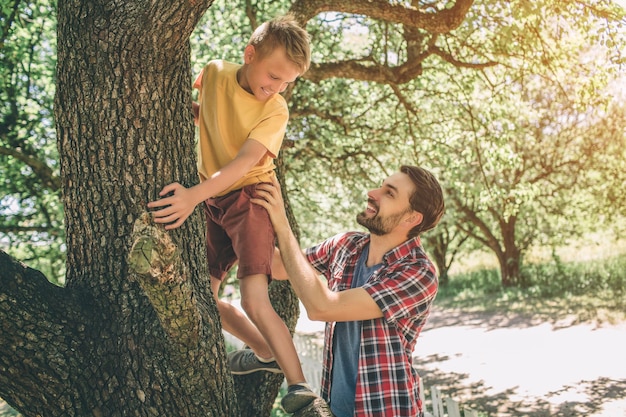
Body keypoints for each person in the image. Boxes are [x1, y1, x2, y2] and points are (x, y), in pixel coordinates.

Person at [147, 15, 316, 413]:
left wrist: (191, 196)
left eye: (286, 83)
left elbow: (242, 163)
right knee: (202, 298)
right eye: (273, 75)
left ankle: (299, 385)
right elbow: (203, 113)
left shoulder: (275, 110)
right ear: (249, 54)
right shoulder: (214, 73)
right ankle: (262, 350)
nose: (276, 88)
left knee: (255, 299)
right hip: (214, 201)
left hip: (250, 200)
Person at [250, 166, 445, 417]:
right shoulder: (346, 245)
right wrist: (237, 223)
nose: (373, 193)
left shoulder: (418, 272)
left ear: (411, 218)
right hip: (336, 409)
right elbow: (278, 266)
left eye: (389, 193)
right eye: (381, 185)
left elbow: (323, 307)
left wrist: (282, 225)